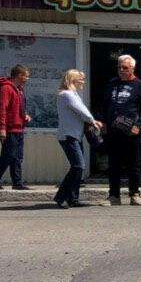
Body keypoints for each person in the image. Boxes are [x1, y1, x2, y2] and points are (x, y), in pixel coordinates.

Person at [103, 54, 141, 206]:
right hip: (113, 132)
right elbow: (104, 105)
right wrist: (103, 121)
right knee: (114, 165)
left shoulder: (140, 86)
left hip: (131, 132)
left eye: (124, 67)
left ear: (132, 68)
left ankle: (134, 194)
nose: (121, 70)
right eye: (119, 67)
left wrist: (138, 125)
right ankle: (114, 196)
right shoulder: (112, 84)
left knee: (134, 164)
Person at [55, 70, 102, 208]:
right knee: (78, 166)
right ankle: (61, 197)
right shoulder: (67, 95)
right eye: (81, 79)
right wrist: (93, 121)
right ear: (73, 79)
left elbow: (80, 110)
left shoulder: (72, 94)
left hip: (75, 135)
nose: (83, 81)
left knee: (78, 167)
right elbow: (81, 111)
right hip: (69, 136)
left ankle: (73, 198)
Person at [0, 64, 32, 191]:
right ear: (19, 75)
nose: (27, 79)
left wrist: (25, 116)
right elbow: (2, 109)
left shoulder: (20, 89)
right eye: (26, 76)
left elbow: (18, 108)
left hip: (19, 127)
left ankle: (17, 183)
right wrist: (2, 128)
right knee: (7, 156)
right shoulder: (6, 88)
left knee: (18, 156)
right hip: (9, 129)